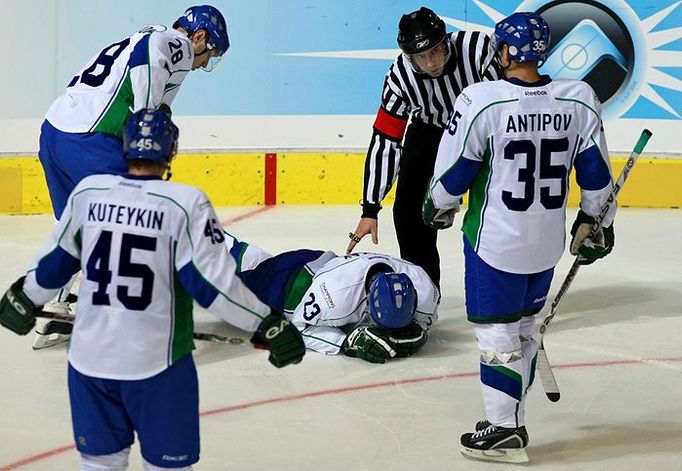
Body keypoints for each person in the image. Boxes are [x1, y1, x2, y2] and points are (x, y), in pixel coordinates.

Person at [0, 109, 305, 470]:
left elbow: (54, 267)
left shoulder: (88, 193)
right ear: (171, 151)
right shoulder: (184, 203)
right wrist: (267, 323)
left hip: (88, 363)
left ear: (125, 147)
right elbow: (211, 287)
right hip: (156, 364)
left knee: (100, 464)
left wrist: (22, 297)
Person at [422, 12, 616, 463]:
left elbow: (454, 173)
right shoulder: (579, 99)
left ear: (506, 52)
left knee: (497, 336)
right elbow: (597, 177)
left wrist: (436, 206)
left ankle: (504, 429)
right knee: (524, 328)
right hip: (545, 244)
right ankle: (509, 415)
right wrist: (597, 223)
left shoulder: (482, 100)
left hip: (494, 243)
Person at [34, 5, 230, 349]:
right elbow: (148, 82)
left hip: (53, 132)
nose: (205, 63)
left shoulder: (143, 36)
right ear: (199, 37)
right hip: (90, 138)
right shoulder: (174, 44)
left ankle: (57, 308)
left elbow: (160, 103)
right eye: (210, 54)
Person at [347, 6, 502, 289]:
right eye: (421, 56)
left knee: (493, 209)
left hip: (482, 133)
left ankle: (498, 286)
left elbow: (506, 106)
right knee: (407, 213)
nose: (430, 63)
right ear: (410, 57)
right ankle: (425, 293)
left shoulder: (478, 50)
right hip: (430, 131)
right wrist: (370, 208)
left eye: (434, 52)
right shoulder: (399, 77)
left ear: (446, 42)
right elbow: (386, 140)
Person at [227, 237, 440, 363]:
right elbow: (298, 328)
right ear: (367, 297)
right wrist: (345, 344)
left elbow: (423, 322)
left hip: (323, 265)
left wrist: (419, 329)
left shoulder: (424, 289)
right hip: (288, 284)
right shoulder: (335, 293)